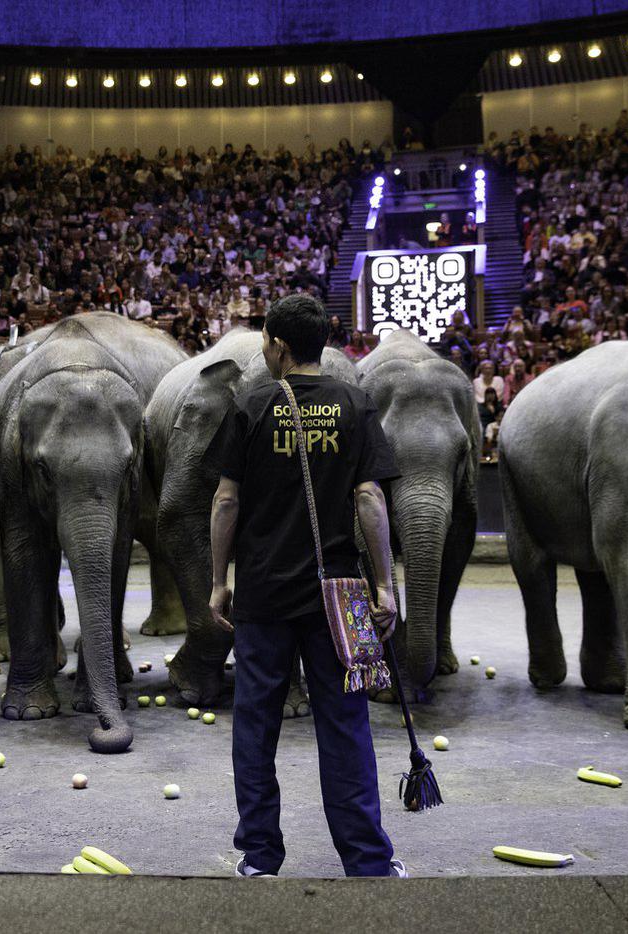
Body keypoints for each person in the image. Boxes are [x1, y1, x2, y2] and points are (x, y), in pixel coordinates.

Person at [206, 293, 406, 879]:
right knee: (345, 726)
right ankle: (368, 862)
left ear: (278, 345)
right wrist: (384, 584)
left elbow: (225, 501)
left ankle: (260, 858)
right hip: (338, 598)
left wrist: (218, 582)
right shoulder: (355, 404)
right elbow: (370, 498)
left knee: (256, 727)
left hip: (264, 595)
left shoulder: (251, 404)